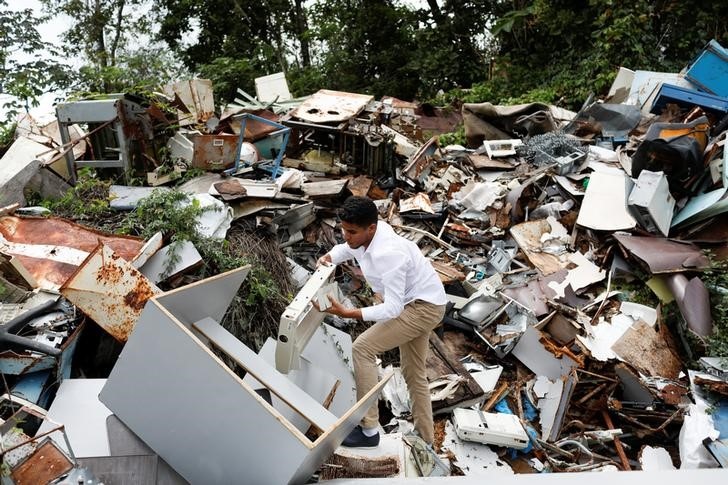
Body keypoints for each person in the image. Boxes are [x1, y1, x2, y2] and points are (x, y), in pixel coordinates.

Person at [316, 196, 447, 448]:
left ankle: (368, 430)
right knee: (413, 372)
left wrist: (349, 313)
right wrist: (330, 257)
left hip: (422, 308)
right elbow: (347, 249)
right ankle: (426, 440)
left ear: (371, 228)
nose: (346, 236)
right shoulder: (368, 234)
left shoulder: (389, 254)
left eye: (351, 231)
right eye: (343, 229)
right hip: (423, 301)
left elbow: (393, 308)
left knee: (362, 348)